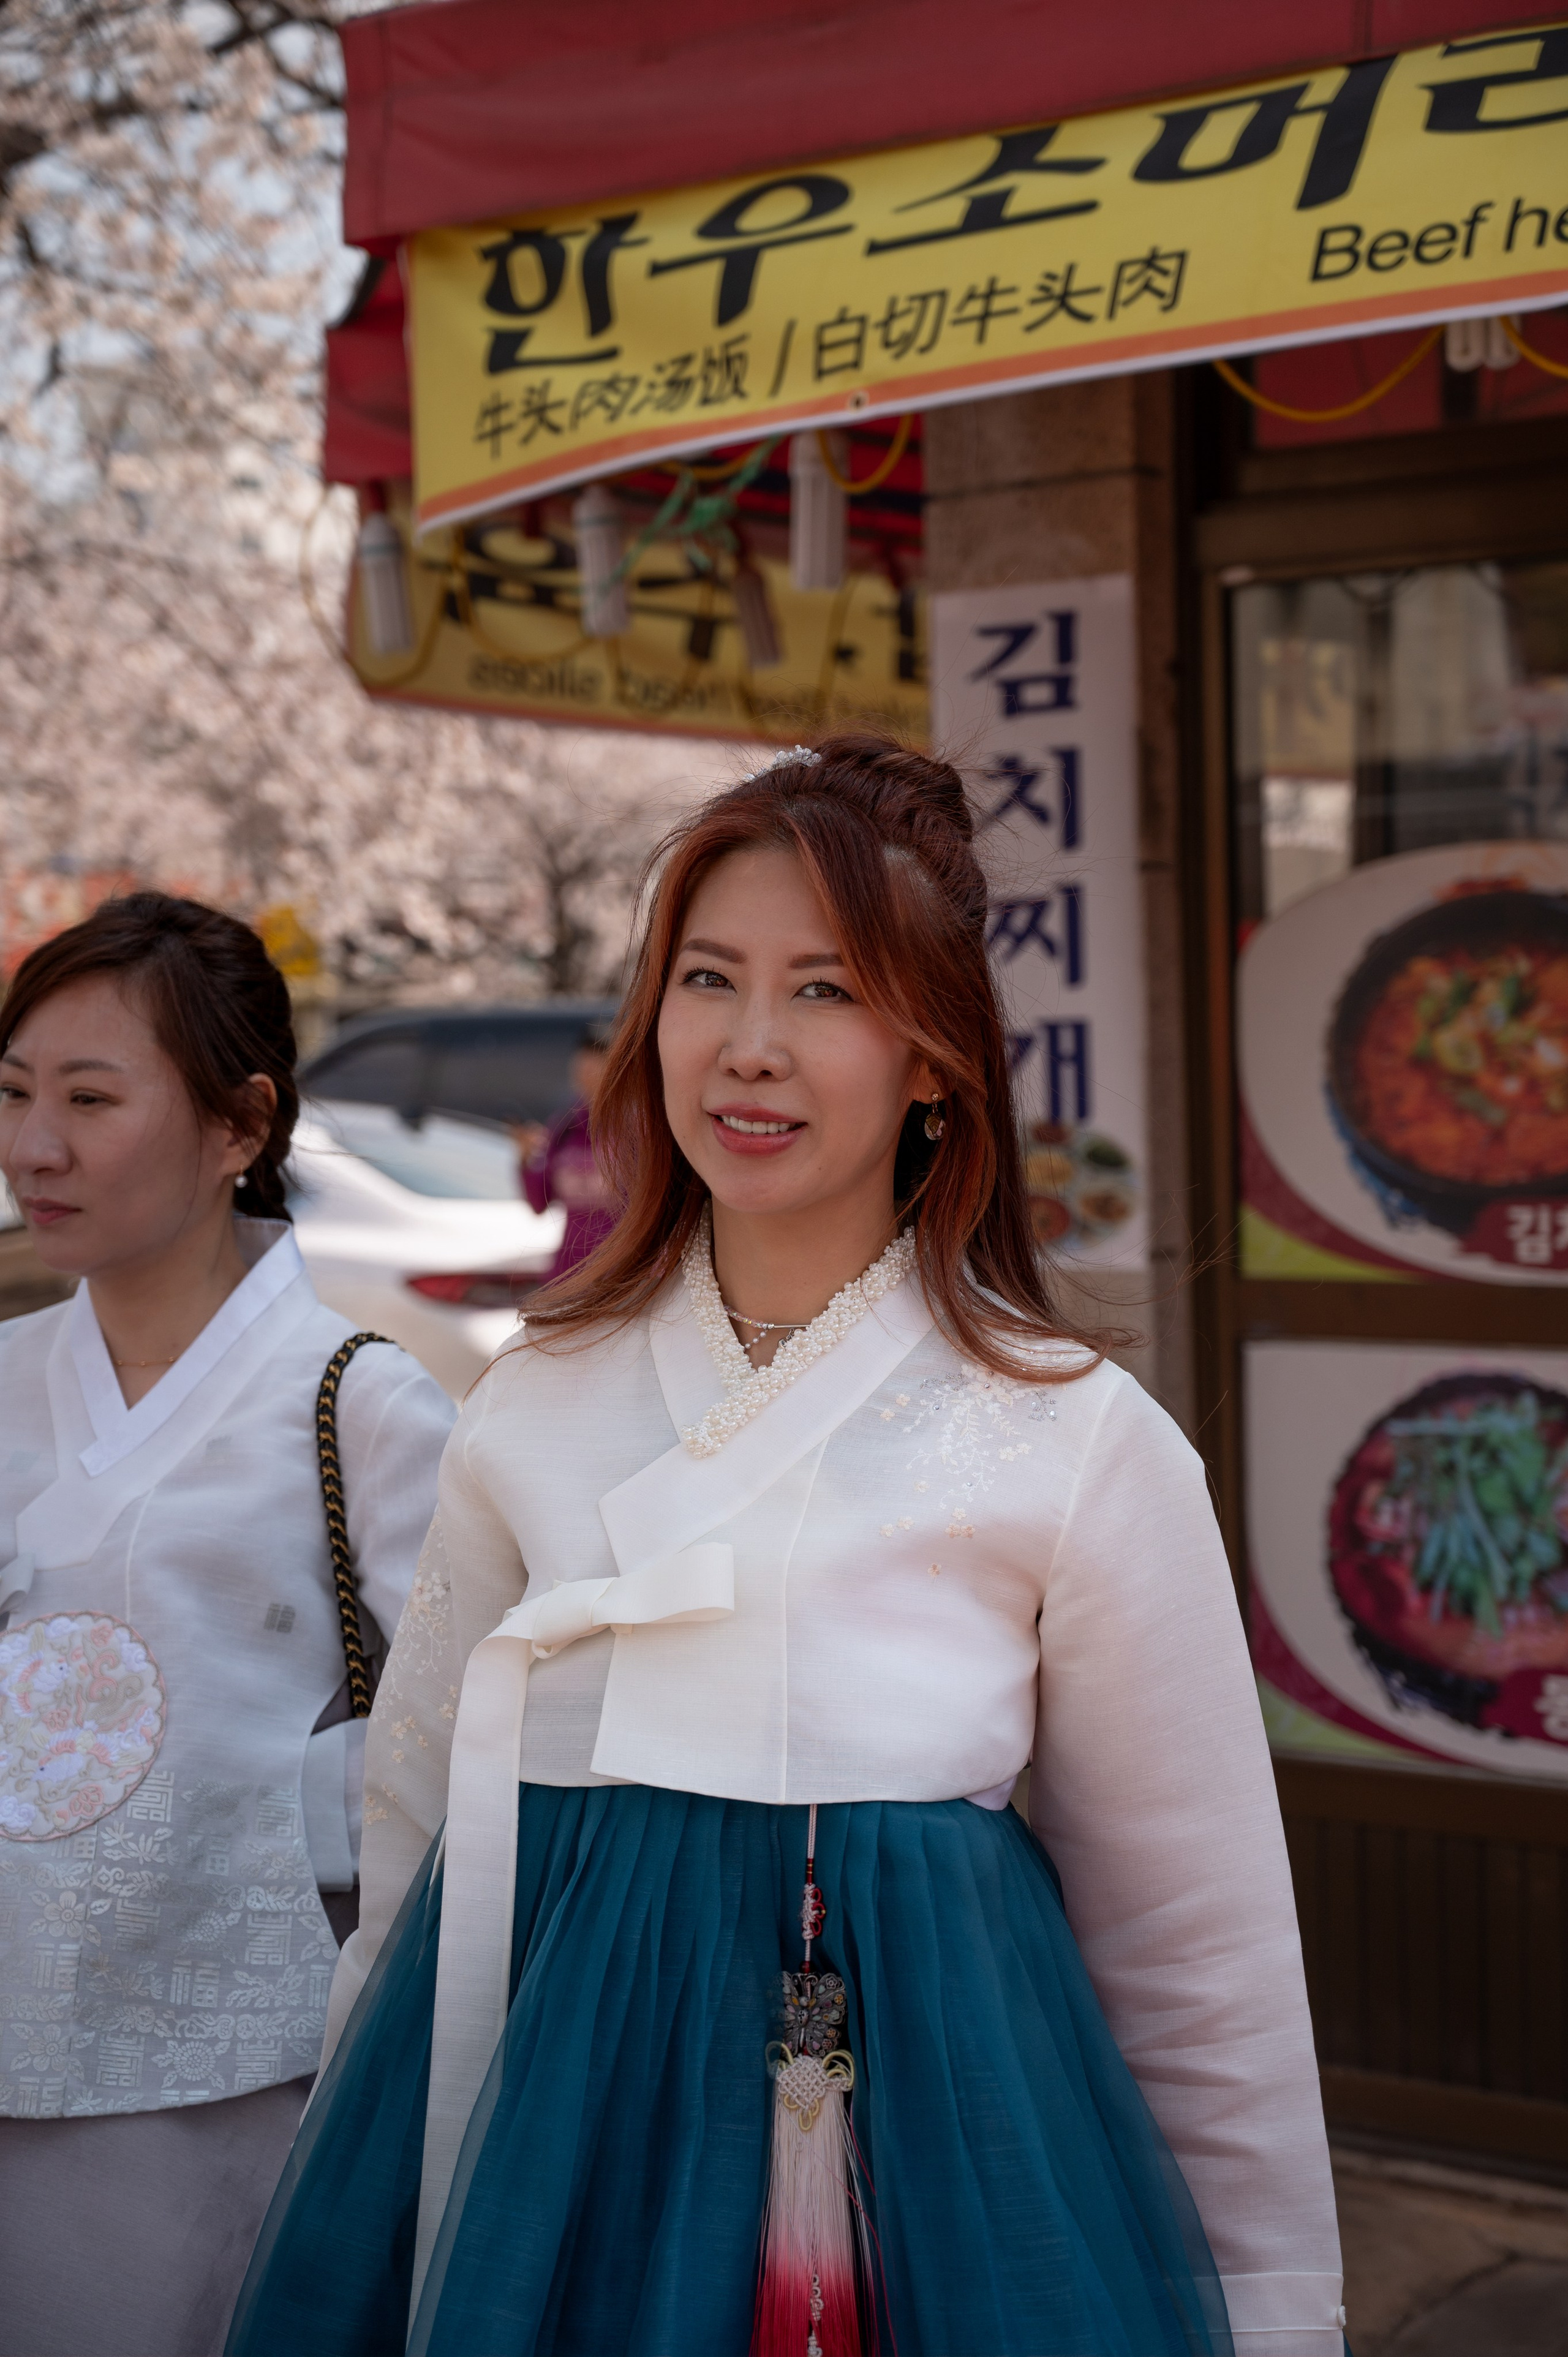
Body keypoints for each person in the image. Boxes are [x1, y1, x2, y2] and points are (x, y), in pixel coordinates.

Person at [228, 737, 1346, 2357]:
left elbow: (1196, 1948)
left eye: (827, 991)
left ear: (938, 1059)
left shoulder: (1071, 1432)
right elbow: (411, 1842)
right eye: (709, 980)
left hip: (938, 2159)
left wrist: (1273, 2310)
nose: (751, 1049)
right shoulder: (533, 1398)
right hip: (554, 2136)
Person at [0, 894, 455, 2357]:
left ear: (239, 1122)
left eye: (88, 1098)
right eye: (14, 1095)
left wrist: (303, 1806)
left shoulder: (363, 1403)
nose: (35, 1146)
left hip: (241, 2075)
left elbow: (470, 1738)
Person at [519, 1028, 617, 1280]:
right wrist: (527, 1158)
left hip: (622, 1275)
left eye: (597, 1058)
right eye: (582, 1058)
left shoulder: (641, 1127)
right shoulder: (564, 1124)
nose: (585, 1068)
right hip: (569, 1273)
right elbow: (539, 1202)